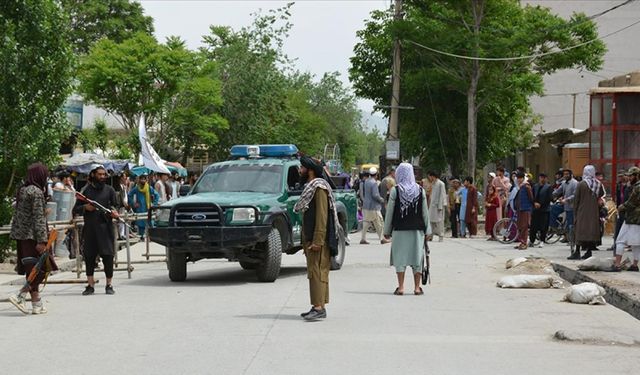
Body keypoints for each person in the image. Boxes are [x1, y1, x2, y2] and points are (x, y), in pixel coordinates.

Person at [8, 163, 59, 315]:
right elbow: (37, 219)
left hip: (22, 236)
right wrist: (42, 241)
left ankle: (36, 303)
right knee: (43, 268)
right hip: (33, 237)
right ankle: (20, 295)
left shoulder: (23, 190)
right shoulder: (36, 192)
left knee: (32, 270)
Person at [294, 156, 339, 321]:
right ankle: (319, 306)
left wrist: (318, 241)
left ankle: (318, 307)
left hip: (318, 239)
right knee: (318, 272)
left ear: (310, 170)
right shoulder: (311, 187)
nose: (300, 170)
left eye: (302, 167)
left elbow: (322, 216)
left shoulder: (319, 188)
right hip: (312, 238)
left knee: (317, 272)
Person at [383, 163, 432, 296]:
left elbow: (390, 213)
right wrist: (428, 231)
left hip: (399, 230)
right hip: (417, 231)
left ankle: (401, 287)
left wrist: (386, 231)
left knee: (400, 259)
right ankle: (417, 288)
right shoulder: (420, 190)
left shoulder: (395, 190)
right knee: (417, 259)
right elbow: (425, 213)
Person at [73, 165, 120, 295]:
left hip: (106, 230)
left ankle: (109, 285)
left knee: (108, 257)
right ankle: (90, 285)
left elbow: (116, 205)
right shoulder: (85, 190)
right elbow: (76, 208)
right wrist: (85, 208)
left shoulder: (110, 190)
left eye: (104, 175)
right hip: (90, 230)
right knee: (89, 257)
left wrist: (114, 212)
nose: (102, 177)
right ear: (93, 175)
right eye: (99, 174)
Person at [569, 165, 606, 260]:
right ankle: (588, 251)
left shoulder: (581, 184)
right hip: (594, 212)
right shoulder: (598, 184)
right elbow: (601, 195)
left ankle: (577, 251)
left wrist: (575, 211)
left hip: (582, 211)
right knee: (591, 231)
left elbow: (576, 198)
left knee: (579, 230)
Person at [613, 167, 640, 272]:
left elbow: (631, 202)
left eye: (631, 176)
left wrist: (621, 207)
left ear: (637, 175)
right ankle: (634, 265)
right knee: (636, 243)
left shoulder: (637, 187)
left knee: (620, 240)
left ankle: (617, 265)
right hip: (637, 220)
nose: (629, 178)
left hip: (632, 218)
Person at [360, 167, 390, 245]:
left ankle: (363, 238)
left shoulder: (366, 181)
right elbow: (375, 195)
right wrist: (381, 200)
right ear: (376, 174)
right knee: (379, 222)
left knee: (366, 222)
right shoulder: (374, 183)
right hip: (374, 207)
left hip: (366, 205)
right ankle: (382, 239)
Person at [128, 173, 160, 239]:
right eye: (141, 179)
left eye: (144, 179)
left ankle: (152, 239)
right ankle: (141, 240)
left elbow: (157, 195)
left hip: (149, 209)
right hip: (140, 209)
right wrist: (133, 204)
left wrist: (154, 204)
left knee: (151, 225)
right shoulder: (137, 188)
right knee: (141, 227)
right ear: (139, 180)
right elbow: (129, 195)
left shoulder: (149, 188)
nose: (143, 180)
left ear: (146, 180)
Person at [553, 169, 579, 243]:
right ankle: (555, 227)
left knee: (571, 223)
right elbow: (558, 191)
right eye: (564, 174)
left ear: (571, 175)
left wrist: (566, 199)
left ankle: (572, 240)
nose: (566, 175)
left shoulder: (575, 183)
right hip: (564, 205)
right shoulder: (564, 183)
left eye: (567, 174)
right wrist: (550, 194)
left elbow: (575, 195)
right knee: (553, 209)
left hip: (572, 206)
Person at [529, 173, 553, 248]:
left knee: (543, 226)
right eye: (541, 177)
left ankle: (542, 240)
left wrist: (541, 204)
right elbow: (532, 196)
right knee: (533, 226)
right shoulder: (535, 186)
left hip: (544, 209)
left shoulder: (548, 187)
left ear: (546, 179)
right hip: (535, 209)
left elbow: (549, 198)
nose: (542, 179)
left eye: (543, 178)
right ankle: (531, 241)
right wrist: (534, 203)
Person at [612, 170, 632, 250]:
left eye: (622, 176)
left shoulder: (629, 186)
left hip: (627, 209)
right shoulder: (619, 185)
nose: (620, 178)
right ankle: (617, 244)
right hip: (620, 208)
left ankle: (629, 243)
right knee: (619, 227)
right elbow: (618, 196)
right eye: (619, 176)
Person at [514, 171, 534, 250]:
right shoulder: (520, 187)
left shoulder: (526, 186)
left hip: (526, 208)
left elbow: (531, 197)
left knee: (524, 226)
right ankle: (521, 242)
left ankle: (524, 243)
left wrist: (531, 205)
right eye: (518, 178)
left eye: (520, 178)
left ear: (523, 178)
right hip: (520, 208)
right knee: (520, 226)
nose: (518, 180)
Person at [427, 171, 447, 242]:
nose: (429, 178)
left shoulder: (441, 184)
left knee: (439, 222)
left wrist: (440, 206)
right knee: (431, 221)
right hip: (432, 206)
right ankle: (430, 235)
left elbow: (442, 195)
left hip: (438, 206)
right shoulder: (433, 184)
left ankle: (441, 236)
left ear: (433, 176)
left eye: (430, 176)